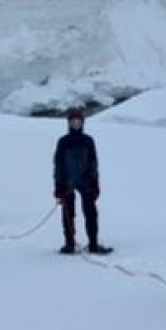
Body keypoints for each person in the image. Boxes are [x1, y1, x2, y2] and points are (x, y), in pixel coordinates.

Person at [53, 108, 111, 254]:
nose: (76, 124)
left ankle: (93, 243)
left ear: (83, 122)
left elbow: (93, 162)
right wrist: (58, 185)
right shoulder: (63, 142)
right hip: (67, 183)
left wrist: (95, 182)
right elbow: (58, 164)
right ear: (69, 123)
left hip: (86, 182)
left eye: (78, 121)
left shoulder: (88, 141)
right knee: (68, 215)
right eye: (73, 122)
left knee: (91, 213)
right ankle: (69, 244)